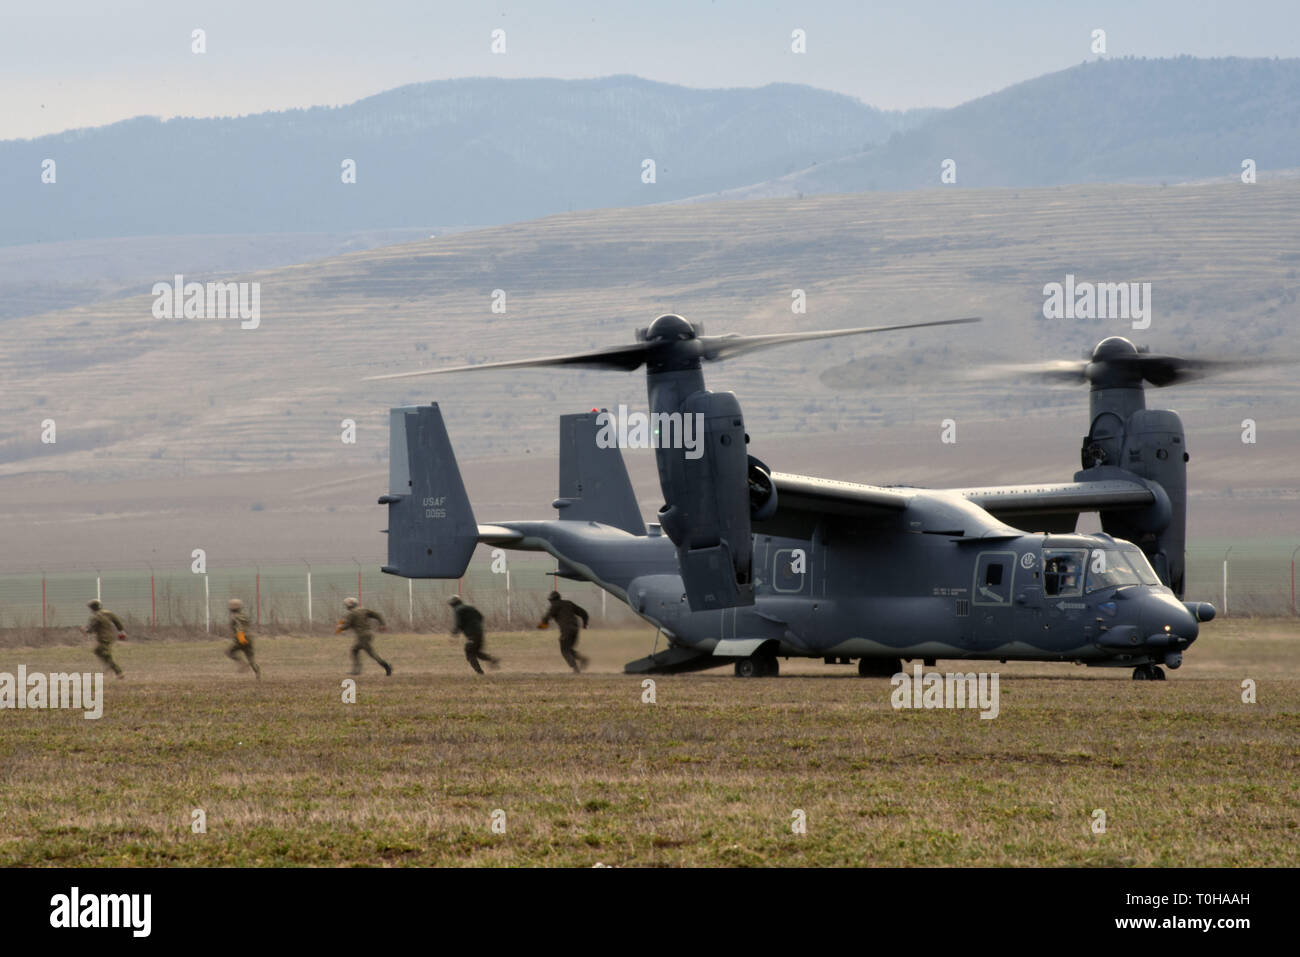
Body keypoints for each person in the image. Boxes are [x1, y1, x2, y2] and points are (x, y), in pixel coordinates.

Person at [336, 597, 392, 676]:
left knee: (371, 653)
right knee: (354, 650)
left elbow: (346, 626)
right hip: (369, 634)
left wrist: (340, 627)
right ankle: (356, 670)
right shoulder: (364, 610)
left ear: (348, 606)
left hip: (362, 636)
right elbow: (377, 615)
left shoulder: (351, 614)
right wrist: (382, 624)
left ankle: (387, 666)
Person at [538, 590, 590, 673]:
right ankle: (583, 659)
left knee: (564, 650)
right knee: (568, 649)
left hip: (566, 630)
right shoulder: (569, 603)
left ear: (552, 600)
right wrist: (585, 624)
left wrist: (541, 625)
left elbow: (547, 617)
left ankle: (575, 668)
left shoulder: (555, 605)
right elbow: (584, 613)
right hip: (575, 630)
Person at [449, 596, 499, 674]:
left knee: (469, 653)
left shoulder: (457, 610)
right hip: (480, 633)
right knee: (476, 652)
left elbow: (459, 623)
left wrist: (454, 633)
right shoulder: (471, 607)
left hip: (471, 635)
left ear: (452, 604)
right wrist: (476, 626)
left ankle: (479, 672)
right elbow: (481, 617)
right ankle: (492, 660)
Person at [84, 599, 126, 678]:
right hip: (111, 636)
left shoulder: (95, 617)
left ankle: (118, 672)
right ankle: (108, 666)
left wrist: (85, 630)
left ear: (92, 608)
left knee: (106, 655)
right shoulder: (108, 613)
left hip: (103, 638)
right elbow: (117, 622)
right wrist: (121, 631)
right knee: (97, 651)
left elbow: (90, 629)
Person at [226, 598, 261, 678]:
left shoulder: (234, 617)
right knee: (251, 658)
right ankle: (257, 673)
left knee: (229, 652)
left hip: (241, 638)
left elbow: (239, 627)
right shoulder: (245, 616)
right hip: (250, 638)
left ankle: (243, 664)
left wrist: (241, 639)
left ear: (231, 608)